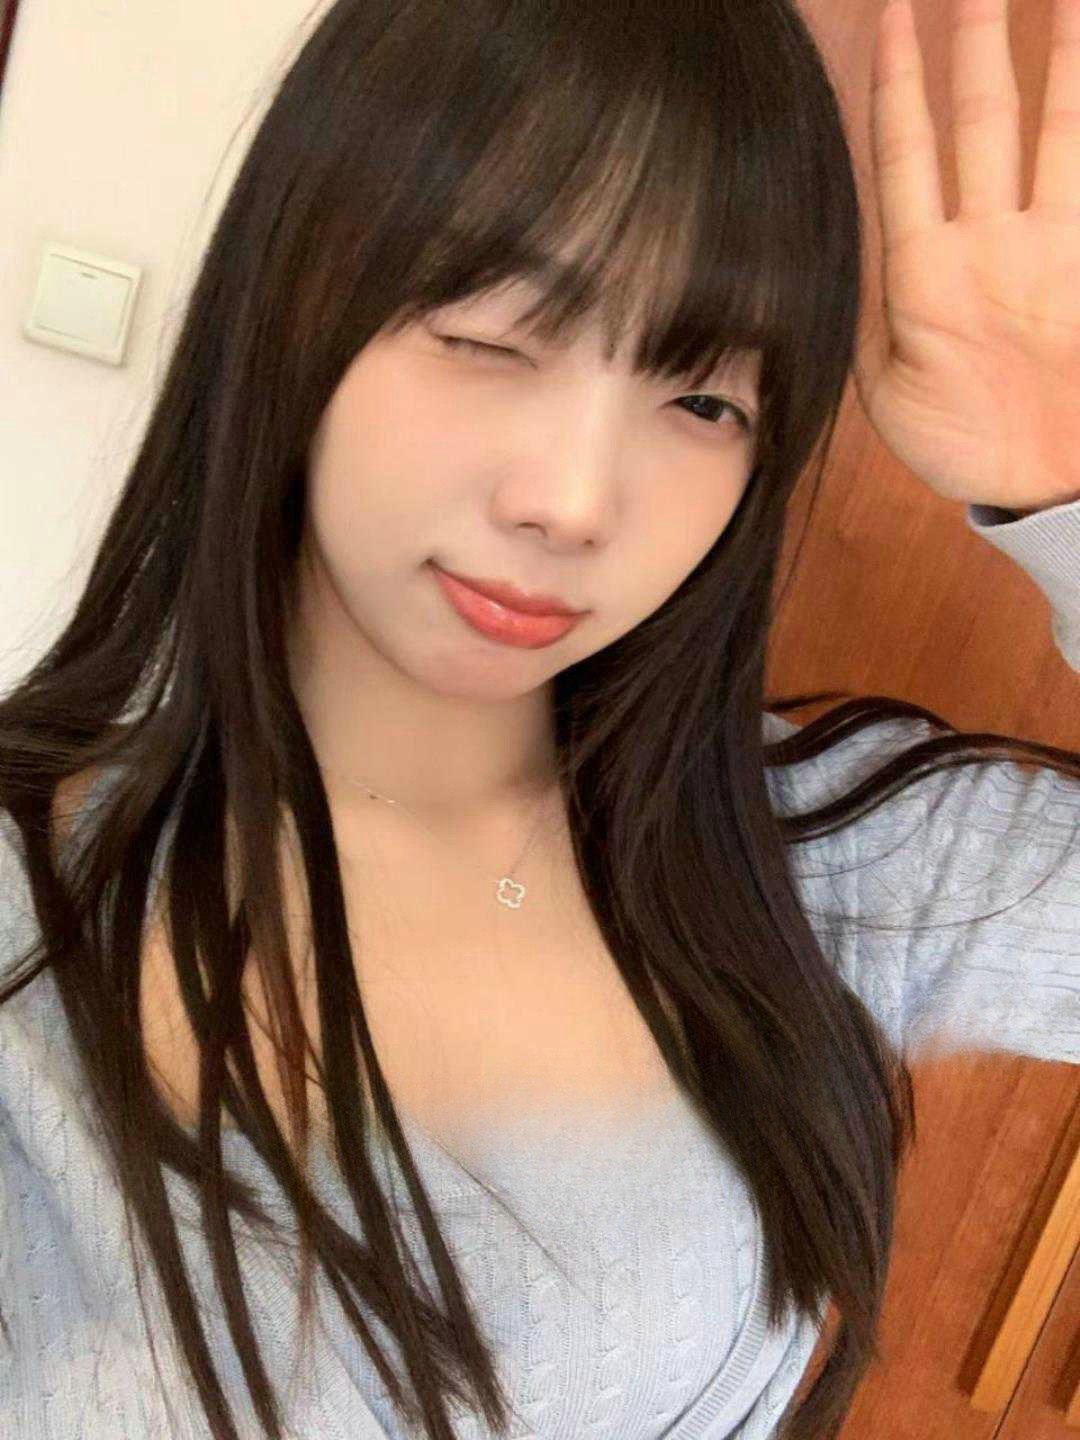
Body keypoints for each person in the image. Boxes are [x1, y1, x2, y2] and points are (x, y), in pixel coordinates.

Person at [1, 0, 1077, 1437]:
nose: (573, 502)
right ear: (292, 296)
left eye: (703, 401)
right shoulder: (29, 917)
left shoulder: (827, 857)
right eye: (490, 335)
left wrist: (1060, 490)